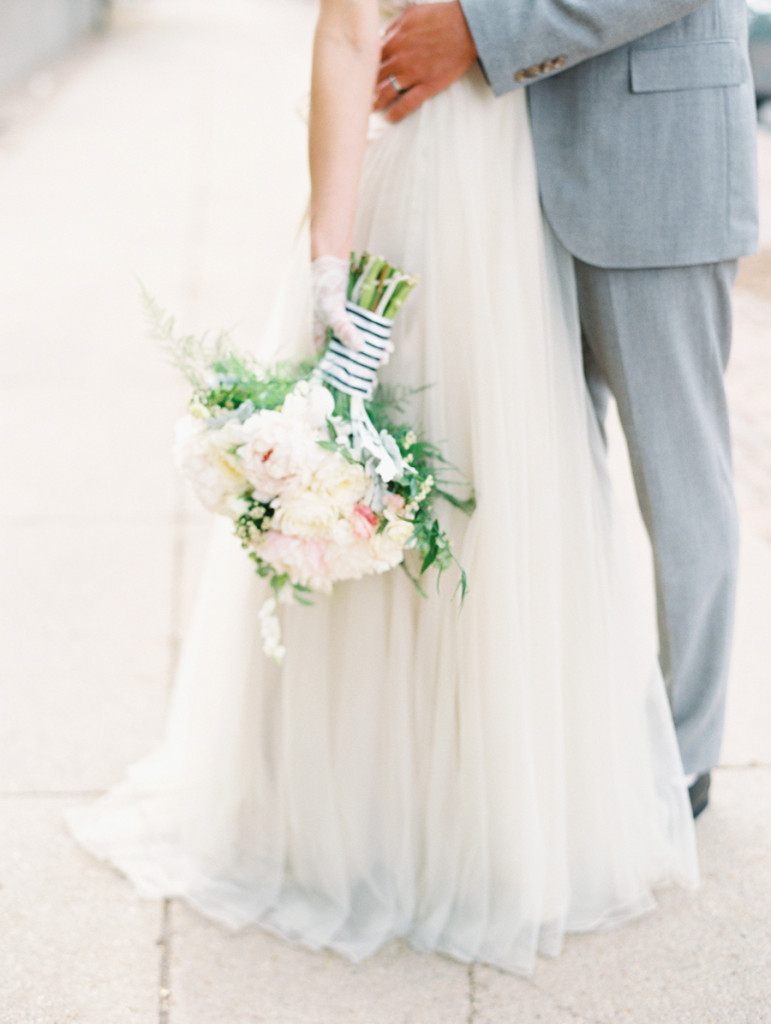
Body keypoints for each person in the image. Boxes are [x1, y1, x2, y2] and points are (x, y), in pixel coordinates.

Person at [67, 0, 700, 974]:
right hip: (415, 182)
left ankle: (494, 817)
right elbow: (345, 28)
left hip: (523, 184)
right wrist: (329, 258)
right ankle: (363, 821)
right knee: (380, 483)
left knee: (503, 496)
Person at [374, 0, 759, 819]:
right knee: (534, 476)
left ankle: (681, 762)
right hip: (494, 176)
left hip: (657, 158)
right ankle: (566, 730)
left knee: (680, 481)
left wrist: (485, 31)